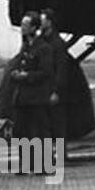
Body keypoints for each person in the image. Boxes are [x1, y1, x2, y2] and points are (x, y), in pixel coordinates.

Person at [10, 11, 55, 173]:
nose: (21, 28)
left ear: (34, 27)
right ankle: (26, 164)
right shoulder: (25, 47)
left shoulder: (43, 48)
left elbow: (46, 72)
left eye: (25, 25)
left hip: (36, 96)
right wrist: (16, 74)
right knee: (21, 131)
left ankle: (46, 164)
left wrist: (27, 75)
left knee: (41, 132)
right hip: (22, 97)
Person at [39, 9, 70, 168]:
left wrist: (56, 91)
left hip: (53, 90)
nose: (40, 23)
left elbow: (61, 70)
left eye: (42, 20)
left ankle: (61, 156)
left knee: (58, 125)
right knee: (45, 125)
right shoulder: (41, 41)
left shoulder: (57, 43)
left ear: (49, 22)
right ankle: (47, 156)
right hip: (42, 90)